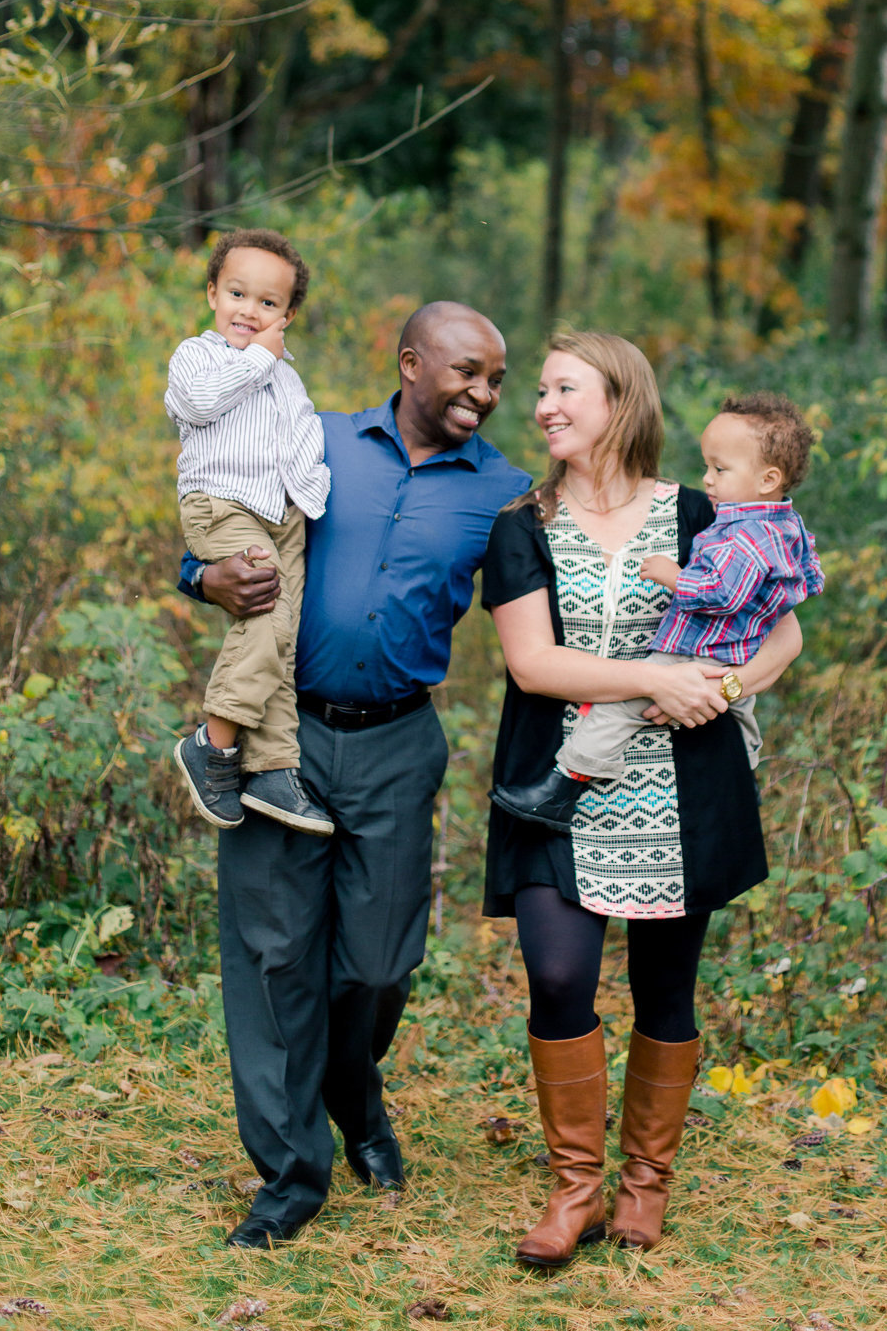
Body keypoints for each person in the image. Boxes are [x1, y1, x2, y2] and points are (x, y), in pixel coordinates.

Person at [177, 301, 528, 1249]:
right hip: (281, 736)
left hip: (396, 743)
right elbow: (223, 503)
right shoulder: (314, 438)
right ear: (411, 363)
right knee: (274, 955)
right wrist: (198, 576)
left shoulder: (503, 492)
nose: (485, 394)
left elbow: (543, 619)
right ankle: (292, 1177)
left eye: (496, 380)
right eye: (468, 373)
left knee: (377, 962)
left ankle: (355, 1098)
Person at [480, 332, 802, 1267]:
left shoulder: (704, 512)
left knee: (667, 993)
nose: (543, 405)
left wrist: (726, 688)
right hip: (561, 789)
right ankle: (574, 1189)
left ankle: (644, 1186)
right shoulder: (520, 527)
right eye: (539, 391)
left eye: (564, 388)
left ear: (622, 400)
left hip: (681, 795)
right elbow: (533, 664)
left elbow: (780, 637)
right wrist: (655, 680)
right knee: (560, 976)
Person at [491, 391, 823, 831]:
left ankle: (564, 785)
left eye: (720, 469)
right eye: (707, 466)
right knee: (741, 711)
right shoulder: (783, 524)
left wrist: (672, 574)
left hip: (696, 647)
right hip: (735, 651)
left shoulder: (744, 534)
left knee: (618, 710)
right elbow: (804, 579)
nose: (707, 479)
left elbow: (719, 593)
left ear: (768, 479)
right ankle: (743, 781)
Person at [166, 228, 334, 837]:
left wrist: (310, 493)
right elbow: (202, 403)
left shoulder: (289, 379)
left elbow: (299, 439)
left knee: (281, 638)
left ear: (288, 314)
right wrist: (262, 355)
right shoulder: (197, 355)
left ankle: (271, 768)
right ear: (213, 292)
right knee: (262, 612)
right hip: (224, 504)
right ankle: (212, 743)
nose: (250, 311)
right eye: (237, 293)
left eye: (268, 303)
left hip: (283, 514)